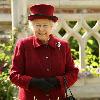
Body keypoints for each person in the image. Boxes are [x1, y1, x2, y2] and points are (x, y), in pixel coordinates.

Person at [9, 4, 79, 100]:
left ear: (52, 26)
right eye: (37, 25)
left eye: (45, 25)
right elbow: (14, 75)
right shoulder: (23, 45)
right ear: (32, 26)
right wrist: (33, 82)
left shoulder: (63, 46)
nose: (41, 29)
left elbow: (73, 73)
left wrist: (57, 81)